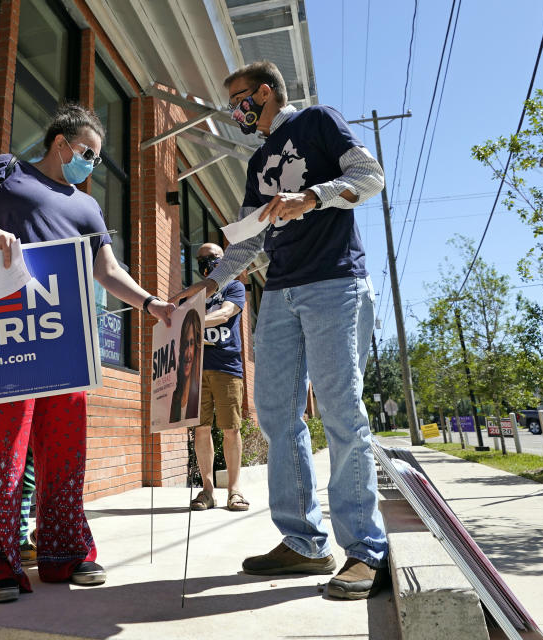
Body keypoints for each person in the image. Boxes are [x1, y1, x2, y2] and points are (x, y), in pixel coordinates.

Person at [171, 61, 388, 600]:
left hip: (334, 283)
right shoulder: (257, 161)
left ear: (265, 92)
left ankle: (365, 551)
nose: (235, 111)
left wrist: (313, 196)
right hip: (282, 291)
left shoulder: (317, 121)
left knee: (340, 411)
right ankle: (306, 543)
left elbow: (370, 177)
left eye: (239, 99)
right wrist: (208, 285)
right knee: (273, 414)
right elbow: (248, 240)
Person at [0, 102, 174, 603]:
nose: (92, 163)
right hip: (1, 329)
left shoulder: (88, 208)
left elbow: (106, 272)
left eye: (96, 157)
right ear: (61, 144)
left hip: (64, 335)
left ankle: (66, 554)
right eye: (87, 152)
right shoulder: (8, 170)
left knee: (65, 451)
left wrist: (152, 303)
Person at [189, 243, 249, 512]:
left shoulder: (235, 287)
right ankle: (208, 490)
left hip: (227, 367)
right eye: (202, 259)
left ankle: (234, 491)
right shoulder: (193, 293)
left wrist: (190, 316)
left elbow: (225, 313)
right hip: (196, 368)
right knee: (201, 429)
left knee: (231, 428)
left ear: (224, 261)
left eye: (213, 257)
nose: (207, 262)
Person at [169, 309, 202, 423]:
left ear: (197, 348)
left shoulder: (200, 395)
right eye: (185, 344)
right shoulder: (176, 396)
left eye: (192, 344)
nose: (188, 354)